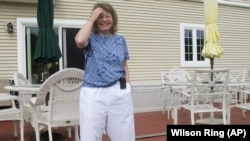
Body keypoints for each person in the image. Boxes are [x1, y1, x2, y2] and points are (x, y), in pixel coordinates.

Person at [75, 2, 135, 141]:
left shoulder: (120, 39)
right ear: (95, 20)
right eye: (99, 17)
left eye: (107, 16)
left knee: (124, 135)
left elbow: (124, 64)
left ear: (113, 18)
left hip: (119, 90)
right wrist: (91, 18)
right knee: (90, 135)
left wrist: (129, 86)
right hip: (93, 92)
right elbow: (79, 40)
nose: (104, 20)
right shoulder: (90, 38)